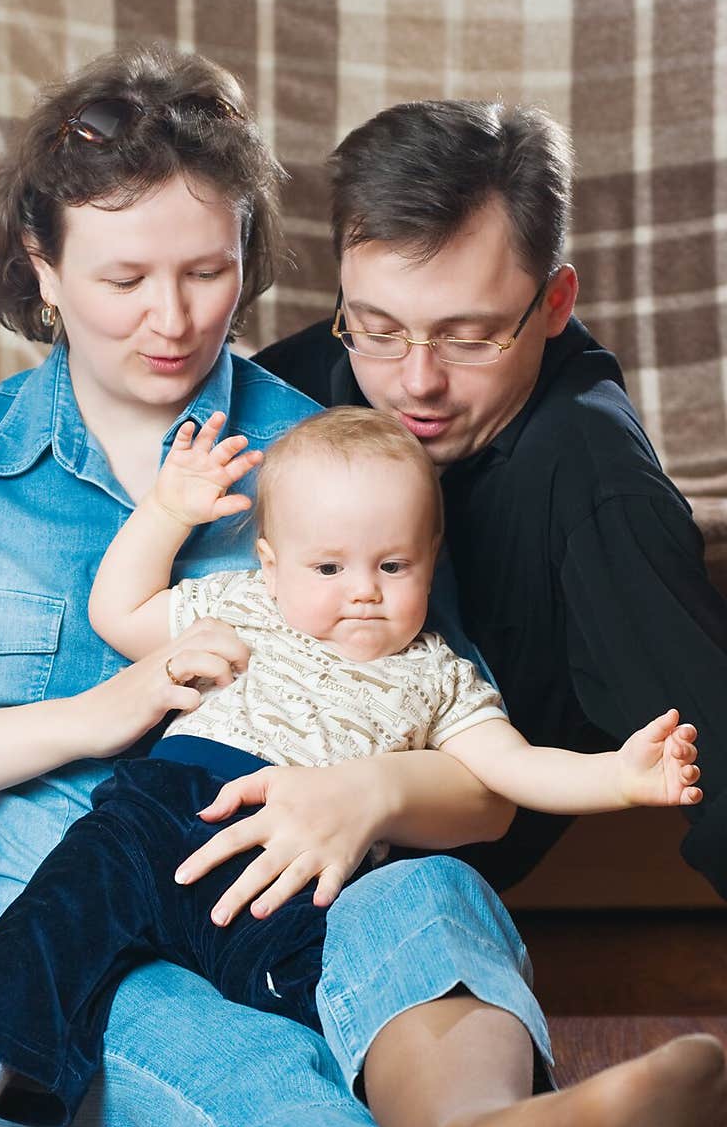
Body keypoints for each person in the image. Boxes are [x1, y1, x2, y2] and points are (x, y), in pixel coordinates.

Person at [0, 47, 727, 1127]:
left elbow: (468, 757)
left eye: (209, 272)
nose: (172, 318)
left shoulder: (347, 449)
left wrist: (364, 793)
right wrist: (96, 713)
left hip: (310, 891)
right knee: (215, 1055)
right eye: (123, 277)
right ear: (41, 268)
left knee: (429, 900)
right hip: (34, 930)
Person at [0, 404, 704, 1127]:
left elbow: (512, 769)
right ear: (272, 567)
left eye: (393, 564)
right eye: (329, 565)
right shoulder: (243, 605)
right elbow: (117, 608)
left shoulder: (438, 677)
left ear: (431, 559)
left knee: (328, 984)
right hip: (166, 810)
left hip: (296, 865)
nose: (363, 590)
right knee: (64, 905)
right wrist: (169, 512)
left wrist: (618, 778)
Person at [253, 98, 727, 901]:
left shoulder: (593, 479)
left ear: (554, 303)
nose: (416, 380)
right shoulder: (282, 392)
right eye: (377, 327)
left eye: (468, 338)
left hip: (417, 876)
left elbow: (715, 758)